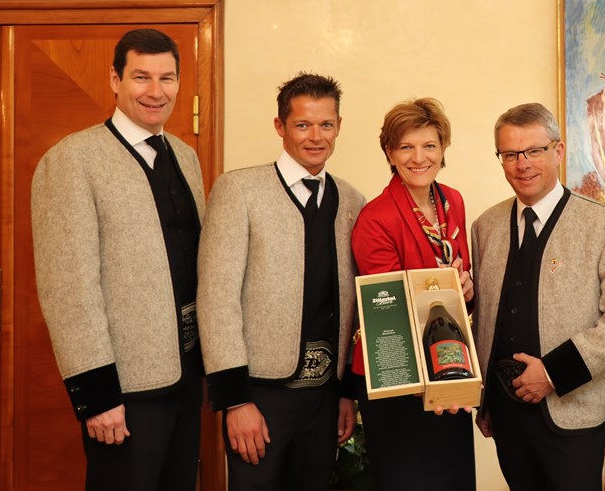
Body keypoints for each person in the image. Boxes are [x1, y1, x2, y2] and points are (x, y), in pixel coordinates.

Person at [31, 28, 205, 490]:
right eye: (141, 77)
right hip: (124, 390)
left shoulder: (186, 157)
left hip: (187, 377)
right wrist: (96, 396)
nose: (156, 91)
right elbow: (68, 289)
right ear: (114, 79)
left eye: (166, 78)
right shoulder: (72, 160)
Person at [195, 73, 365, 490]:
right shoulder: (239, 191)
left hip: (325, 397)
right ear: (280, 126)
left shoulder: (352, 201)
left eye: (326, 124)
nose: (316, 136)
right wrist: (235, 400)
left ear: (339, 126)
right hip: (260, 395)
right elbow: (217, 299)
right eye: (303, 124)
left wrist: (347, 392)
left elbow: (353, 306)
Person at [471, 102, 605, 491]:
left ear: (558, 151)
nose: (523, 164)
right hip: (505, 412)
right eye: (510, 154)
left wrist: (552, 373)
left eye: (534, 151)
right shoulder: (484, 227)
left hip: (573, 411)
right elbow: (485, 316)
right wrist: (484, 401)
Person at [349, 97, 476, 491]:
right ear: (389, 152)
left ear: (443, 150)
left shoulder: (452, 200)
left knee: (453, 477)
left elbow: (460, 280)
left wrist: (466, 287)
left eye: (429, 146)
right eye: (406, 147)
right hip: (398, 371)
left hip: (447, 360)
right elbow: (387, 308)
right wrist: (445, 289)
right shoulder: (376, 217)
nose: (419, 157)